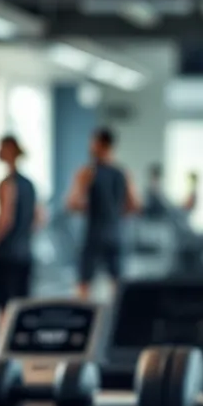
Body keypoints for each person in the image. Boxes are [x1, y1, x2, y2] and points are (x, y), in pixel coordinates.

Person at [66, 128, 139, 299]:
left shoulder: (87, 172)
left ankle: (82, 321)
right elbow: (134, 205)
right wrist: (113, 211)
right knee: (116, 284)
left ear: (99, 144)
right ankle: (117, 323)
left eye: (92, 143)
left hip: (94, 234)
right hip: (115, 233)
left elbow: (72, 203)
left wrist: (90, 206)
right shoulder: (123, 173)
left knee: (83, 284)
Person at [0, 135, 40, 320]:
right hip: (25, 252)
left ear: (8, 150)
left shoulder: (7, 184)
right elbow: (39, 218)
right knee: (22, 305)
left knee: (3, 307)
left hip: (8, 254)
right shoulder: (30, 184)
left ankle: (1, 347)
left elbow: (5, 219)